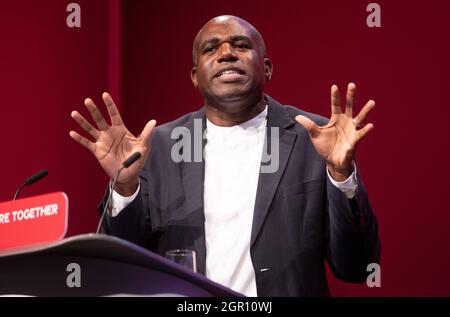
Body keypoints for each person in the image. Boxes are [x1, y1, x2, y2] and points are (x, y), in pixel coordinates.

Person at [69, 15, 380, 297]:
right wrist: (124, 188)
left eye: (241, 45)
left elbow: (356, 266)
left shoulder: (313, 138)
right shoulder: (158, 146)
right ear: (195, 76)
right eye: (211, 49)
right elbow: (124, 271)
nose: (226, 53)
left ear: (267, 67)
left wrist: (342, 176)